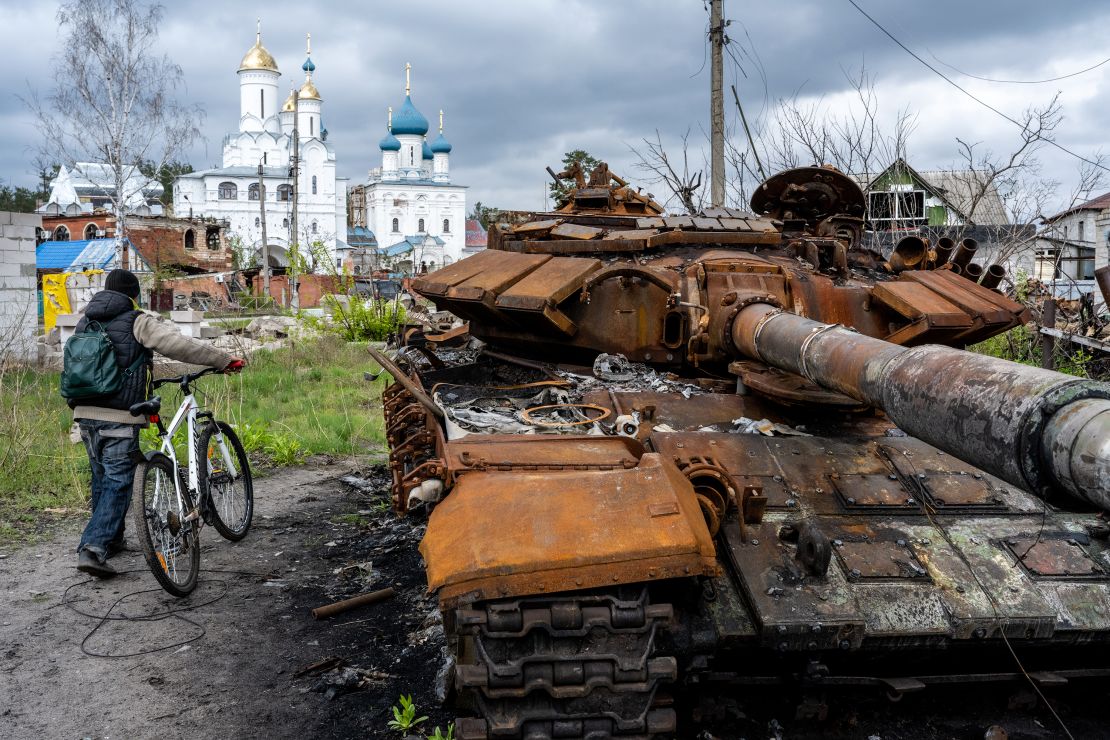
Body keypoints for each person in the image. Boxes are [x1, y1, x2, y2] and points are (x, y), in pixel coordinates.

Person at [71, 269, 244, 578]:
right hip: (121, 415)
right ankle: (93, 548)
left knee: (101, 478)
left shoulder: (86, 322)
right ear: (132, 294)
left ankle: (112, 539)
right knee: (118, 482)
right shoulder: (136, 320)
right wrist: (221, 359)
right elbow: (177, 345)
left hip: (84, 414)